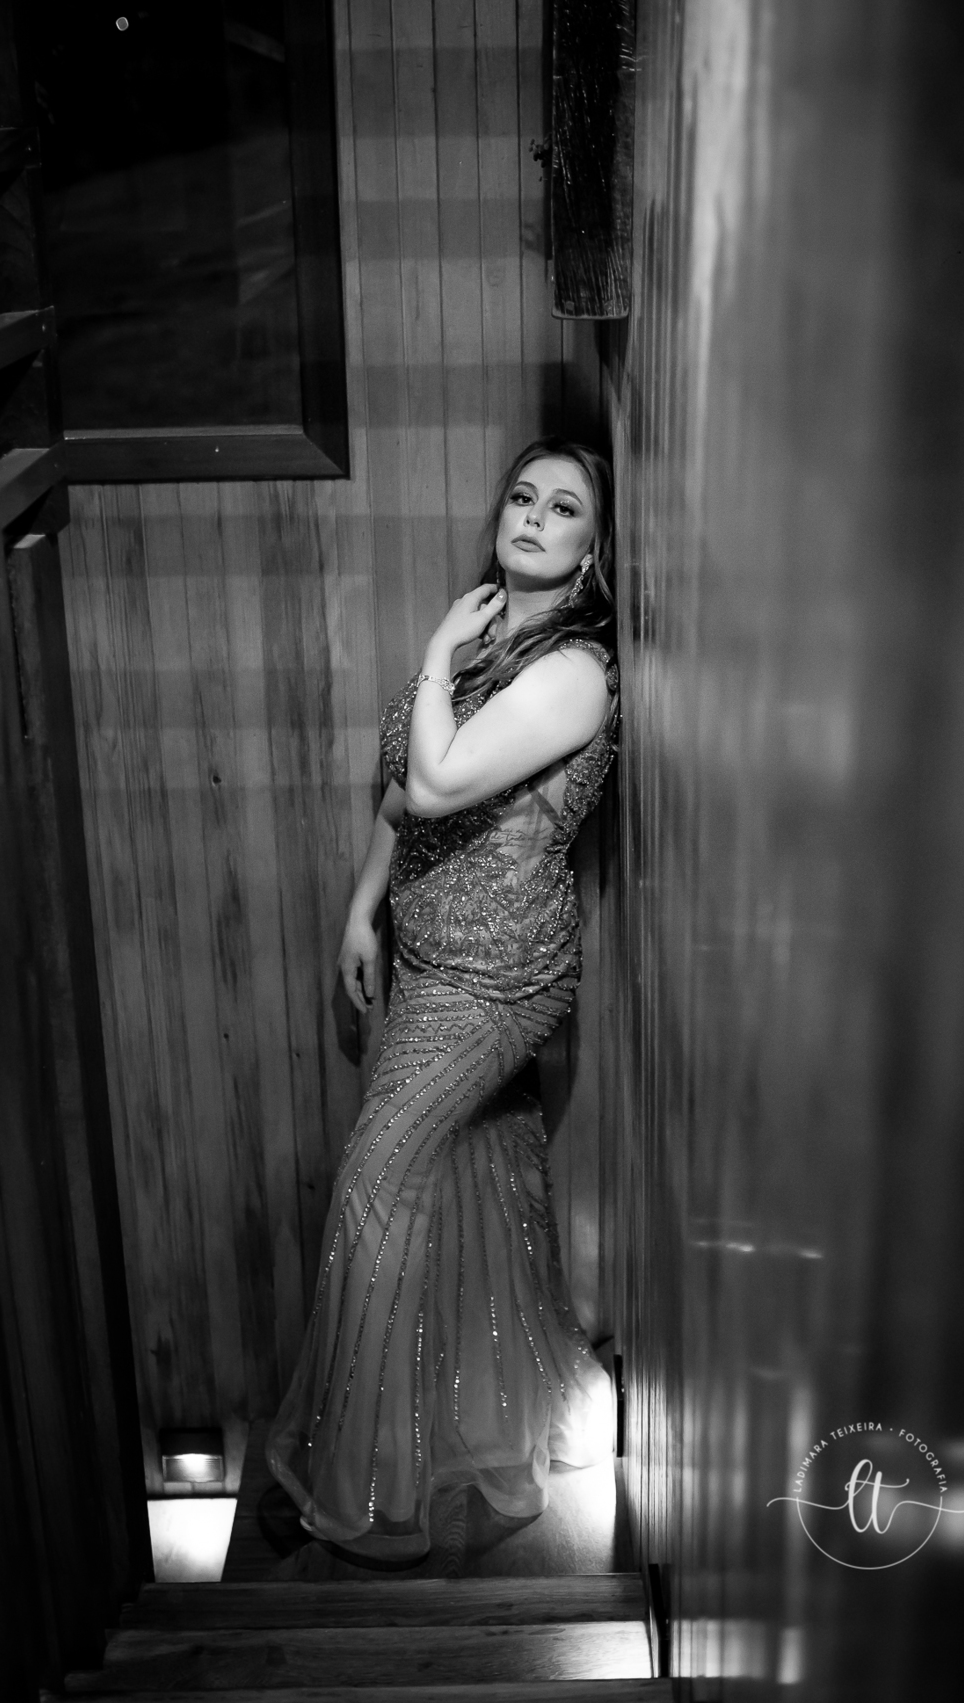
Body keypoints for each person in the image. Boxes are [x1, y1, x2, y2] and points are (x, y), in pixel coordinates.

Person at [266, 437, 620, 1560]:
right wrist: (362, 909)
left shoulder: (574, 672)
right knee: (482, 1184)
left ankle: (370, 1488)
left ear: (593, 549)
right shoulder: (488, 635)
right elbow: (397, 795)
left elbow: (434, 780)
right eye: (522, 496)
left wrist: (431, 654)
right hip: (427, 964)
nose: (534, 517)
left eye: (563, 507)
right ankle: (504, 1427)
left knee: (374, 1189)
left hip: (500, 980)